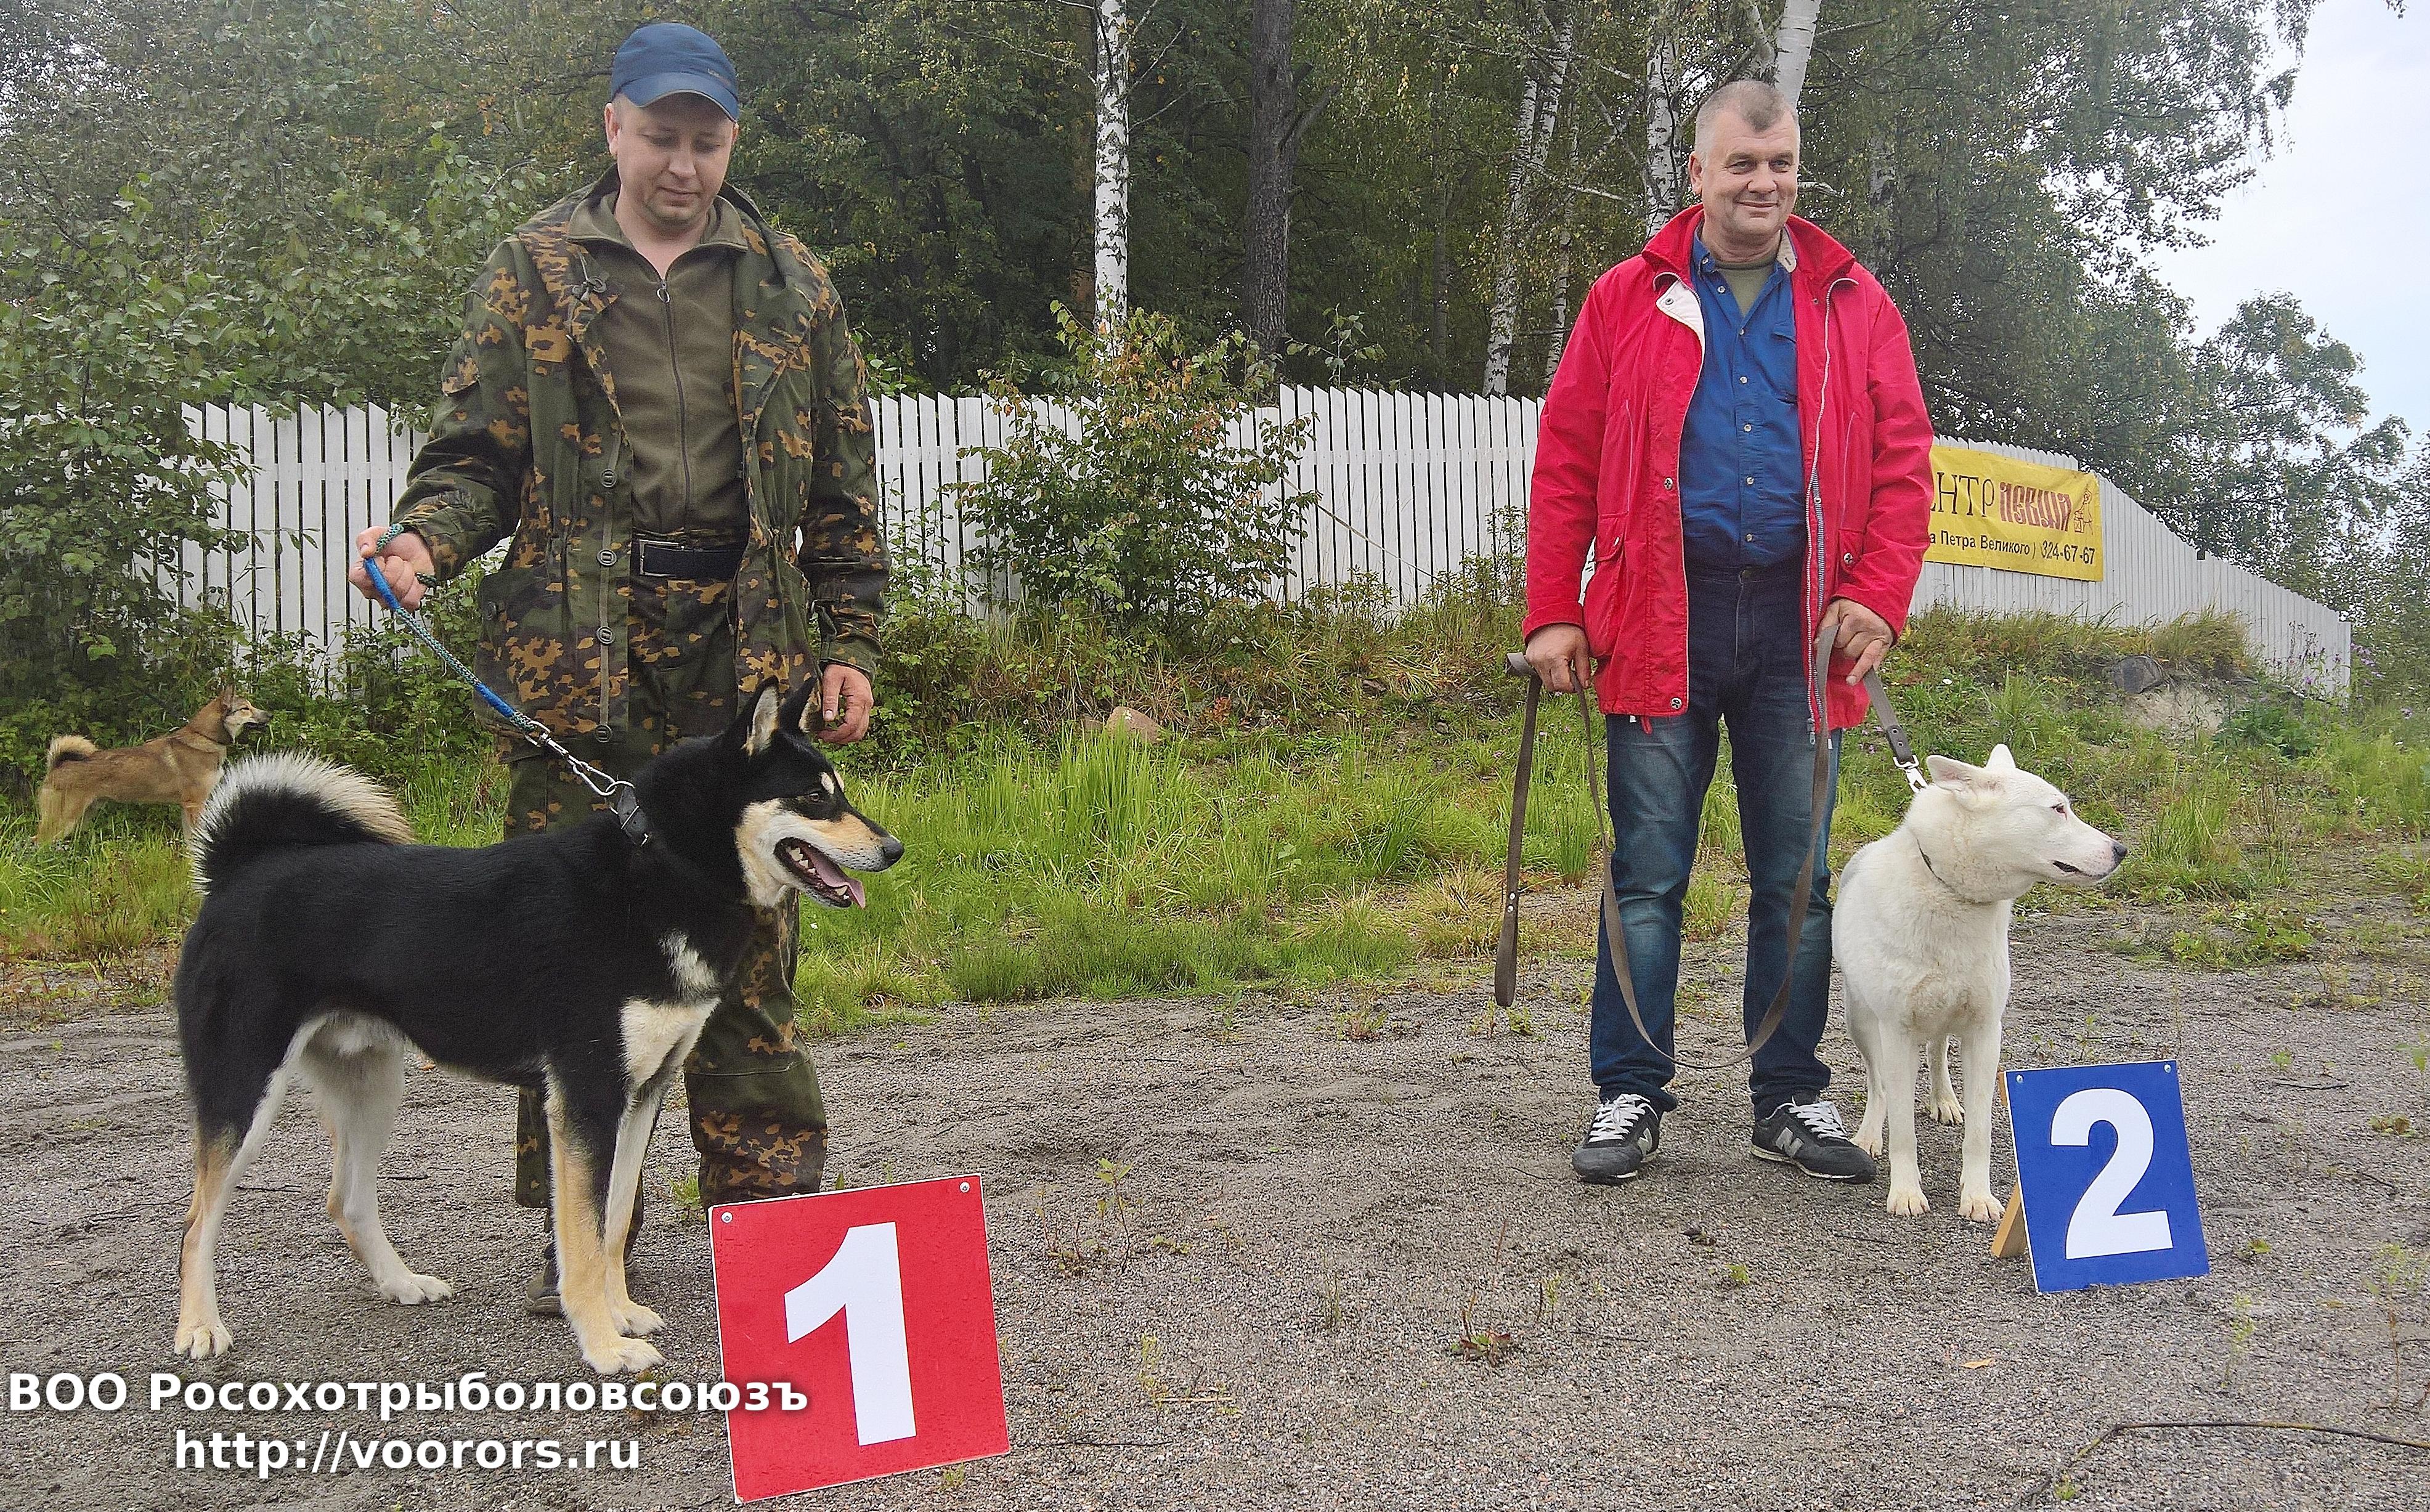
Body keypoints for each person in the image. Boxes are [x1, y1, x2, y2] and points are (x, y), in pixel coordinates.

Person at [349, 22, 888, 1304]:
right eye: (660, 138)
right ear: (614, 129)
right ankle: (584, 1240)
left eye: (706, 142)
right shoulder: (534, 269)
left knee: (750, 944)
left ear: (732, 141)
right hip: (574, 654)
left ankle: (771, 1221)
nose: (682, 166)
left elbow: (844, 487)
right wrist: (424, 543)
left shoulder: (794, 283)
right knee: (572, 952)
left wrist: (852, 641)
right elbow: (476, 456)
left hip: (746, 657)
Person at [1522, 79, 1931, 1187]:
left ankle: (1788, 1094)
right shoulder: (1626, 297)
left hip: (1804, 629)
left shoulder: (1854, 301)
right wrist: (1554, 608)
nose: (1765, 183)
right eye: (1743, 164)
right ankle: (1629, 1090)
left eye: (1781, 163)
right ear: (1697, 171)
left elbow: (1905, 463)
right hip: (1662, 615)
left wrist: (1880, 595)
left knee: (1796, 878)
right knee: (1648, 873)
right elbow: (1566, 457)